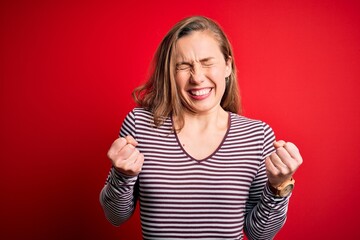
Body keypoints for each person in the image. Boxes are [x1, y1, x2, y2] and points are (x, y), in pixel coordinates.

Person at [100, 16, 303, 240]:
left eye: (207, 62)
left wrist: (279, 186)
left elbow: (259, 234)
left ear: (227, 65)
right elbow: (115, 217)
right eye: (183, 66)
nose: (197, 78)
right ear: (170, 73)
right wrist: (121, 176)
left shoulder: (256, 135)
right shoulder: (139, 125)